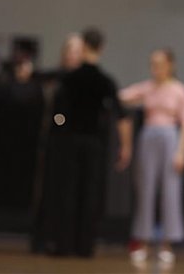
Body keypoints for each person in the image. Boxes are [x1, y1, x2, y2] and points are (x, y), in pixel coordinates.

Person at [48, 27, 133, 257]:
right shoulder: (106, 82)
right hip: (95, 143)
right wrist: (126, 146)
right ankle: (85, 246)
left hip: (69, 142)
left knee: (68, 192)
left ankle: (64, 244)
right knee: (90, 193)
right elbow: (121, 115)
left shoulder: (69, 79)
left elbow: (58, 113)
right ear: (101, 48)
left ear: (84, 46)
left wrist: (61, 126)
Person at [119, 47, 184, 268]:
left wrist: (182, 151)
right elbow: (123, 96)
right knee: (145, 188)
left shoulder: (180, 90)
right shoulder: (147, 87)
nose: (156, 68)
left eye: (160, 64)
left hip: (169, 137)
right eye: (153, 64)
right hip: (149, 136)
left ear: (170, 65)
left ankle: (167, 244)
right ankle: (142, 241)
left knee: (170, 190)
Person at [30, 33, 84, 254]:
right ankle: (44, 237)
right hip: (55, 140)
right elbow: (56, 115)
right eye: (69, 50)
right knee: (48, 190)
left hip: (75, 142)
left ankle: (67, 238)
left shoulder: (83, 81)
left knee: (70, 192)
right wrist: (59, 122)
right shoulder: (55, 78)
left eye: (77, 51)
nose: (72, 55)